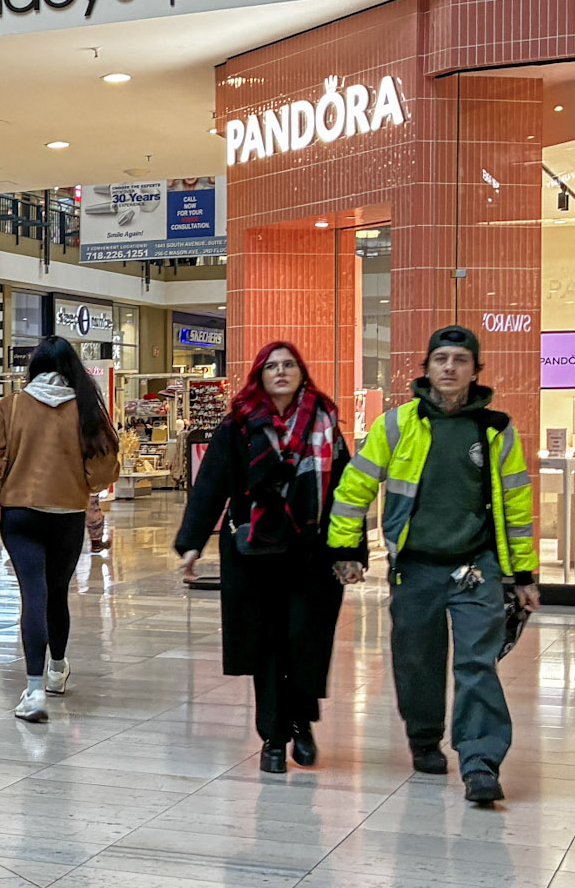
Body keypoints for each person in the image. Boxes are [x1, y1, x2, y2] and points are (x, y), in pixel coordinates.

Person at [329, 325, 538, 806]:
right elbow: (354, 488)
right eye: (440, 359)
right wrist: (345, 550)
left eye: (460, 360)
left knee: (476, 663)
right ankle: (424, 738)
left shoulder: (495, 430)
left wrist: (522, 576)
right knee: (417, 661)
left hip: (476, 567)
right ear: (426, 368)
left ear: (475, 371)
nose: (449, 368)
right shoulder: (396, 425)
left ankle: (480, 762)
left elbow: (516, 505)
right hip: (416, 568)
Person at [175, 342, 359, 773]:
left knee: (305, 641)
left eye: (289, 365)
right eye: (271, 366)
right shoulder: (239, 425)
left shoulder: (325, 420)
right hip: (255, 553)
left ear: (302, 371)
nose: (280, 372)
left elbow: (346, 493)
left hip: (312, 553)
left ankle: (303, 722)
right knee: (268, 647)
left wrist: (350, 551)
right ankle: (274, 738)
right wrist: (192, 542)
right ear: (258, 375)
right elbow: (210, 487)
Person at [0, 336, 120, 723]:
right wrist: (80, 482)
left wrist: (11, 472)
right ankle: (57, 670)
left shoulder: (12, 405)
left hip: (20, 512)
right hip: (67, 513)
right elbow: (104, 470)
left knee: (32, 594)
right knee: (58, 592)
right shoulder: (87, 409)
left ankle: (34, 689)